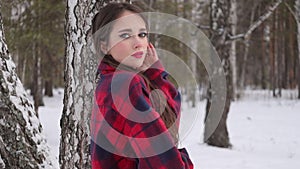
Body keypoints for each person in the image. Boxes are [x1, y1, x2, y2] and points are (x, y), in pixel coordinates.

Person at [90, 2, 194, 169]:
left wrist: (155, 75)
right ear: (104, 45)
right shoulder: (125, 84)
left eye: (142, 34)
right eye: (125, 35)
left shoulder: (109, 82)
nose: (138, 43)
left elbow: (167, 123)